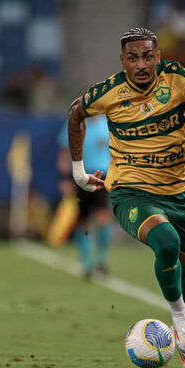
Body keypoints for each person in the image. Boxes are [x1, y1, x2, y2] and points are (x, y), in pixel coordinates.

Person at [67, 28, 185, 368]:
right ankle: (178, 320)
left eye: (148, 56)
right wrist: (79, 171)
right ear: (123, 61)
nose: (141, 64)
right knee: (167, 243)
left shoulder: (179, 80)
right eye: (133, 57)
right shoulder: (108, 92)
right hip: (131, 193)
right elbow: (74, 114)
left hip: (179, 196)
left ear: (158, 56)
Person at [57, 115, 113, 279]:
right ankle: (86, 262)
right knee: (83, 219)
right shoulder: (76, 124)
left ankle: (102, 260)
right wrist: (64, 178)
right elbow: (64, 152)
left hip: (103, 176)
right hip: (81, 175)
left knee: (102, 216)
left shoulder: (108, 124)